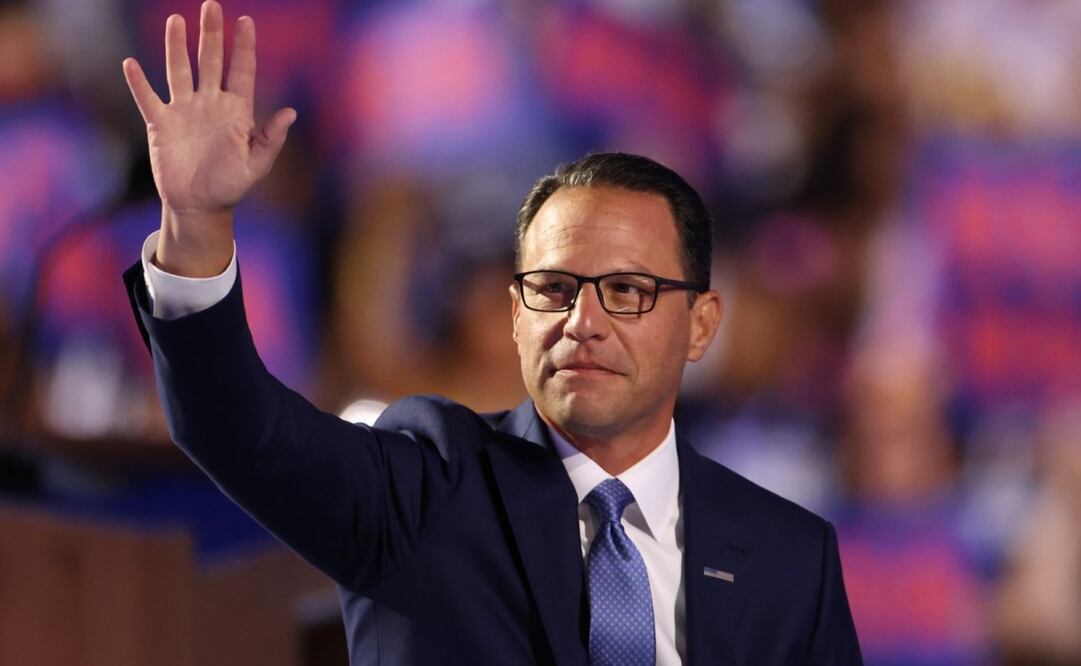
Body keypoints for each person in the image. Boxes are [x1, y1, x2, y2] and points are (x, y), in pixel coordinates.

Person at [121, 2, 862, 664]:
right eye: (553, 289)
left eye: (628, 292)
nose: (583, 322)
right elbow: (233, 428)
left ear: (699, 326)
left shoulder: (789, 559)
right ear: (514, 316)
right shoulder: (422, 491)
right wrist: (195, 224)